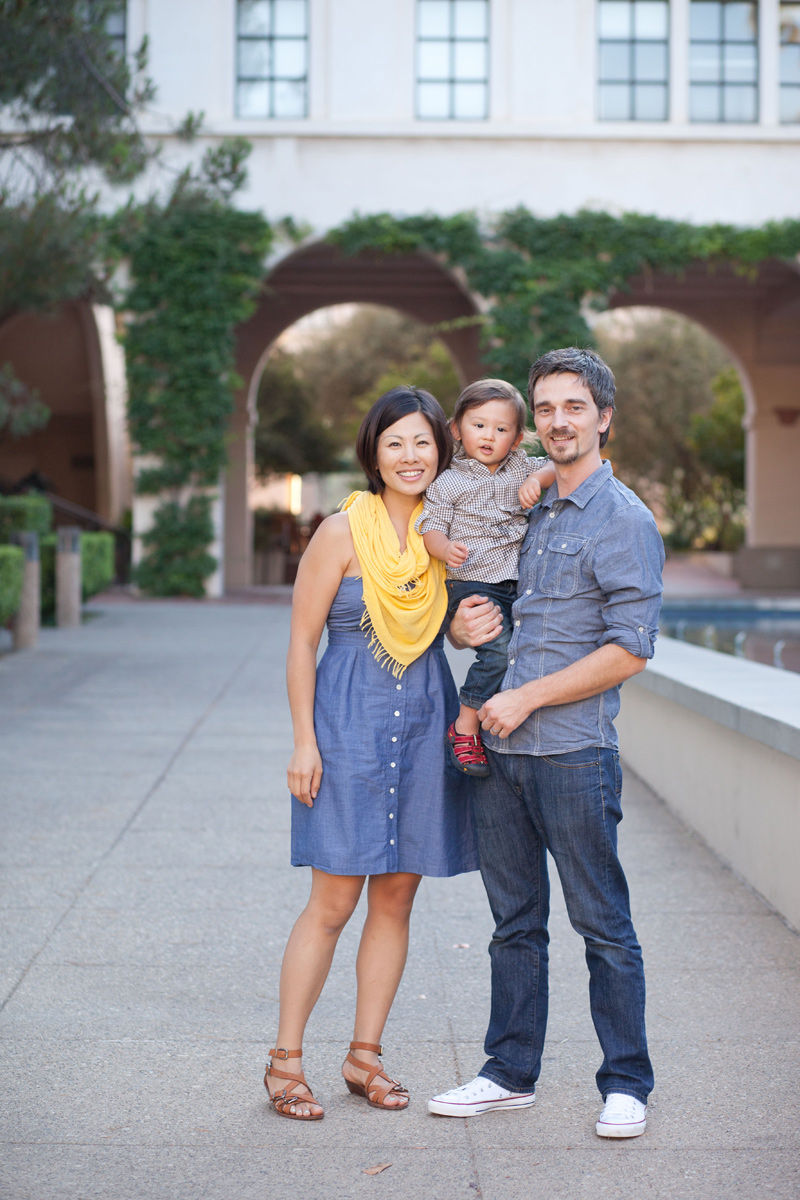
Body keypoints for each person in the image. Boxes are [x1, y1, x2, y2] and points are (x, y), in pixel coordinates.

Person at [430, 347, 664, 1139]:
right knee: (514, 925)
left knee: (603, 925)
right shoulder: (521, 505)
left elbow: (630, 649)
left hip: (571, 754)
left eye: (575, 406)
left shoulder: (624, 520)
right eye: (548, 408)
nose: (559, 421)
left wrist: (527, 695)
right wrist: (460, 630)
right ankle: (508, 1073)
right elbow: (483, 613)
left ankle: (626, 1083)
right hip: (497, 759)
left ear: (604, 417)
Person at [265, 385, 482, 1122]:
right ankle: (285, 1062)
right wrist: (304, 742)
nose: (410, 456)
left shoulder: (447, 537)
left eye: (423, 442)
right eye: (396, 443)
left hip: (424, 728)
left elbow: (454, 628)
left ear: (441, 451)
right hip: (347, 731)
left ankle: (364, 1058)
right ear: (374, 453)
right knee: (331, 903)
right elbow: (302, 643)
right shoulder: (339, 533)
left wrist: (468, 630)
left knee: (395, 900)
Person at [416, 379, 556, 777]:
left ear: (516, 438)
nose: (489, 436)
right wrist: (444, 549)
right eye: (478, 425)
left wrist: (537, 480)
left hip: (515, 583)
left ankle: (502, 731)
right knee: (497, 651)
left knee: (522, 652)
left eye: (501, 428)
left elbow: (555, 465)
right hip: (471, 583)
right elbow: (431, 529)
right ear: (457, 429)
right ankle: (465, 725)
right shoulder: (448, 480)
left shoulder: (522, 468)